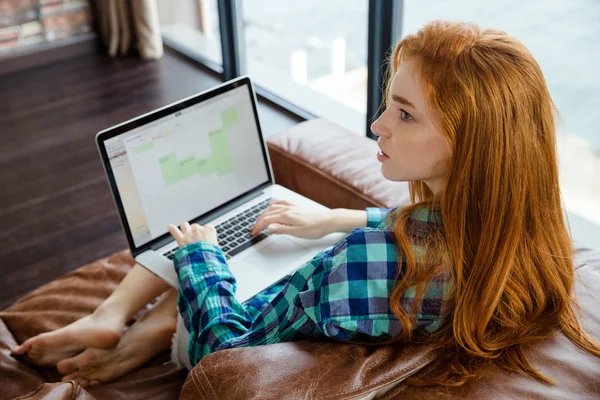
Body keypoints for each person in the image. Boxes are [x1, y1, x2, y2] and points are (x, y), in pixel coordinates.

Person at [11, 19, 600, 388]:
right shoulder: (520, 232)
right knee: (263, 236)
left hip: (230, 335)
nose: (376, 126)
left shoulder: (375, 262)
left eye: (403, 113)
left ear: (471, 144)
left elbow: (226, 352)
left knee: (200, 243)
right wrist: (336, 219)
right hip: (339, 309)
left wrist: (201, 261)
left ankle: (147, 329)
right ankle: (121, 322)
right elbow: (423, 228)